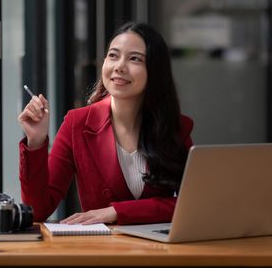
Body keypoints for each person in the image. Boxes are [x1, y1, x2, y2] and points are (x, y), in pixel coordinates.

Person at [17, 22, 194, 225]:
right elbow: (37, 210)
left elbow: (191, 203)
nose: (119, 66)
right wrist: (36, 142)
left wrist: (116, 212)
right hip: (102, 251)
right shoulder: (77, 124)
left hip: (161, 252)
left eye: (134, 58)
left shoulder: (174, 127)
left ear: (155, 71)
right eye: (113, 55)